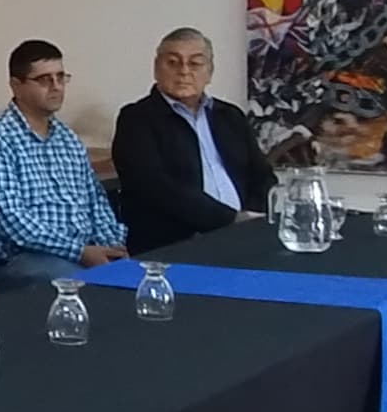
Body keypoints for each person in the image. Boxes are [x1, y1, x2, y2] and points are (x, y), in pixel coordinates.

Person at [0, 39, 130, 289]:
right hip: (14, 260)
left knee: (135, 277)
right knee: (84, 284)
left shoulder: (67, 138)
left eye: (61, 77)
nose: (56, 87)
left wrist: (112, 246)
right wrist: (80, 252)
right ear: (16, 86)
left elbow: (95, 200)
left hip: (79, 253)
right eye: (44, 79)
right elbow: (13, 222)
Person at [111, 27, 275, 253]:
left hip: (245, 235)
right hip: (177, 243)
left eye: (195, 63)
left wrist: (253, 218)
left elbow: (262, 175)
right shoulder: (136, 119)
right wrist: (230, 219)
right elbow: (156, 188)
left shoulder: (230, 116)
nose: (184, 71)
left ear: (210, 72)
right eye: (173, 62)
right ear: (156, 68)